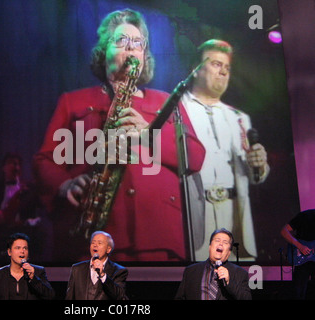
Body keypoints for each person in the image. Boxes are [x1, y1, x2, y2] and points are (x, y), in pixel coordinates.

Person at [33, 8, 205, 262]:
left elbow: (196, 156)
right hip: (92, 239)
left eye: (138, 43)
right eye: (121, 41)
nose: (131, 48)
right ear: (104, 53)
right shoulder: (73, 102)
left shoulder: (166, 102)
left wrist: (149, 136)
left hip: (160, 238)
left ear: (145, 56)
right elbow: (44, 160)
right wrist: (64, 184)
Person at [179, 39, 270, 261]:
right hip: (196, 215)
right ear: (196, 69)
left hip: (235, 216)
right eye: (216, 64)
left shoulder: (239, 118)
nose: (223, 72)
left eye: (227, 67)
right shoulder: (177, 111)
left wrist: (259, 166)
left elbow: (254, 177)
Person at [0, 152, 52, 264]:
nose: (16, 167)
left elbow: (43, 210)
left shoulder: (29, 190)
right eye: (12, 163)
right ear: (3, 167)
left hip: (22, 231)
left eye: (18, 164)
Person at [175, 228, 251, 300]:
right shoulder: (191, 271)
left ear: (229, 252)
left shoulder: (240, 273)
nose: (220, 244)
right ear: (210, 247)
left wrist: (229, 282)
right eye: (217, 240)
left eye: (225, 242)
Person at [0, 233, 55, 300]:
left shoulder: (38, 271)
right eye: (18, 248)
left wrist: (33, 278)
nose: (22, 251)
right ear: (9, 252)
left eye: (25, 248)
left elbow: (50, 296)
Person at [66, 231, 128, 300]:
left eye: (99, 243)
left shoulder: (118, 271)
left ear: (108, 249)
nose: (95, 245)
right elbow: (69, 297)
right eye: (93, 242)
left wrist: (102, 275)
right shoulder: (77, 269)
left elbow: (119, 296)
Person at [281, 209, 315, 299]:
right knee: (299, 293)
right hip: (302, 261)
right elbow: (284, 231)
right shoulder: (305, 215)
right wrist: (300, 246)